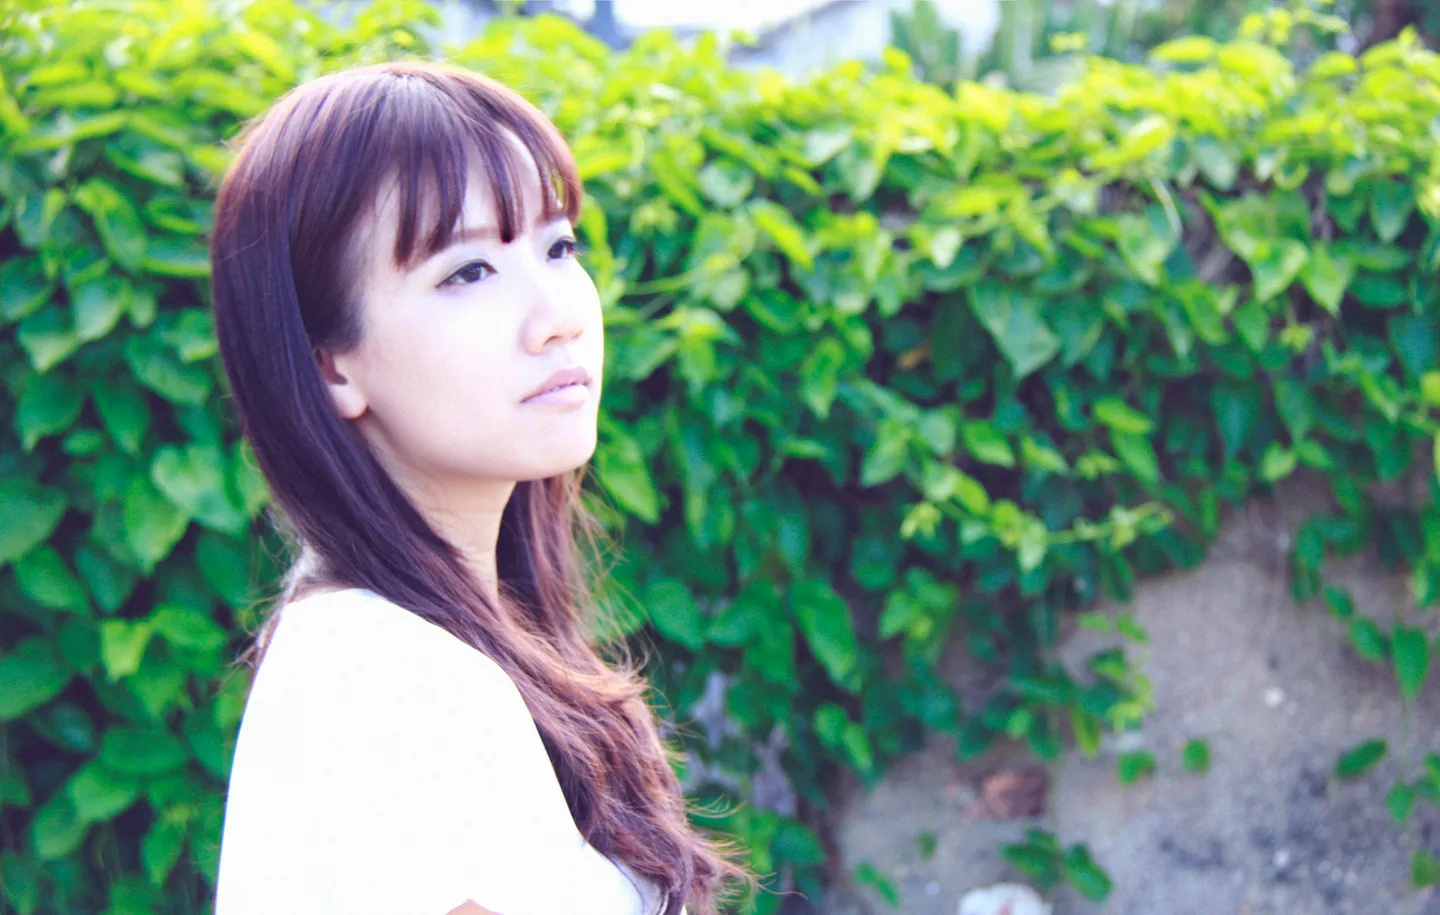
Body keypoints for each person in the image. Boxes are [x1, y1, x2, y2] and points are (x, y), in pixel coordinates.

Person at [207, 60, 751, 915]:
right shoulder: (389, 678)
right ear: (331, 365)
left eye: (558, 247)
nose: (559, 316)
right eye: (468, 272)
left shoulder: (417, 640)